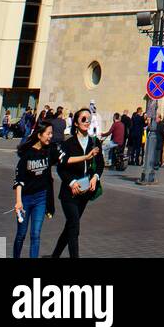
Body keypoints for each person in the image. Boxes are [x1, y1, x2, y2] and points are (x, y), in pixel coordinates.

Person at [50, 107, 104, 259]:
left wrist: (95, 177)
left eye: (89, 119)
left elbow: (100, 164)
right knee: (74, 226)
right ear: (75, 123)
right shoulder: (69, 144)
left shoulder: (95, 142)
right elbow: (61, 168)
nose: (87, 122)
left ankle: (55, 255)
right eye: (83, 119)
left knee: (70, 227)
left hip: (85, 191)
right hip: (70, 192)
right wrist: (72, 182)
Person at [13, 121, 60, 258]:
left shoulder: (49, 150)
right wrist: (18, 202)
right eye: (48, 133)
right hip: (25, 199)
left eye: (52, 133)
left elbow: (66, 160)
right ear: (39, 135)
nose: (51, 136)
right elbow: (19, 180)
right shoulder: (27, 155)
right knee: (21, 234)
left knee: (35, 234)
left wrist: (86, 157)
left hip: (41, 198)